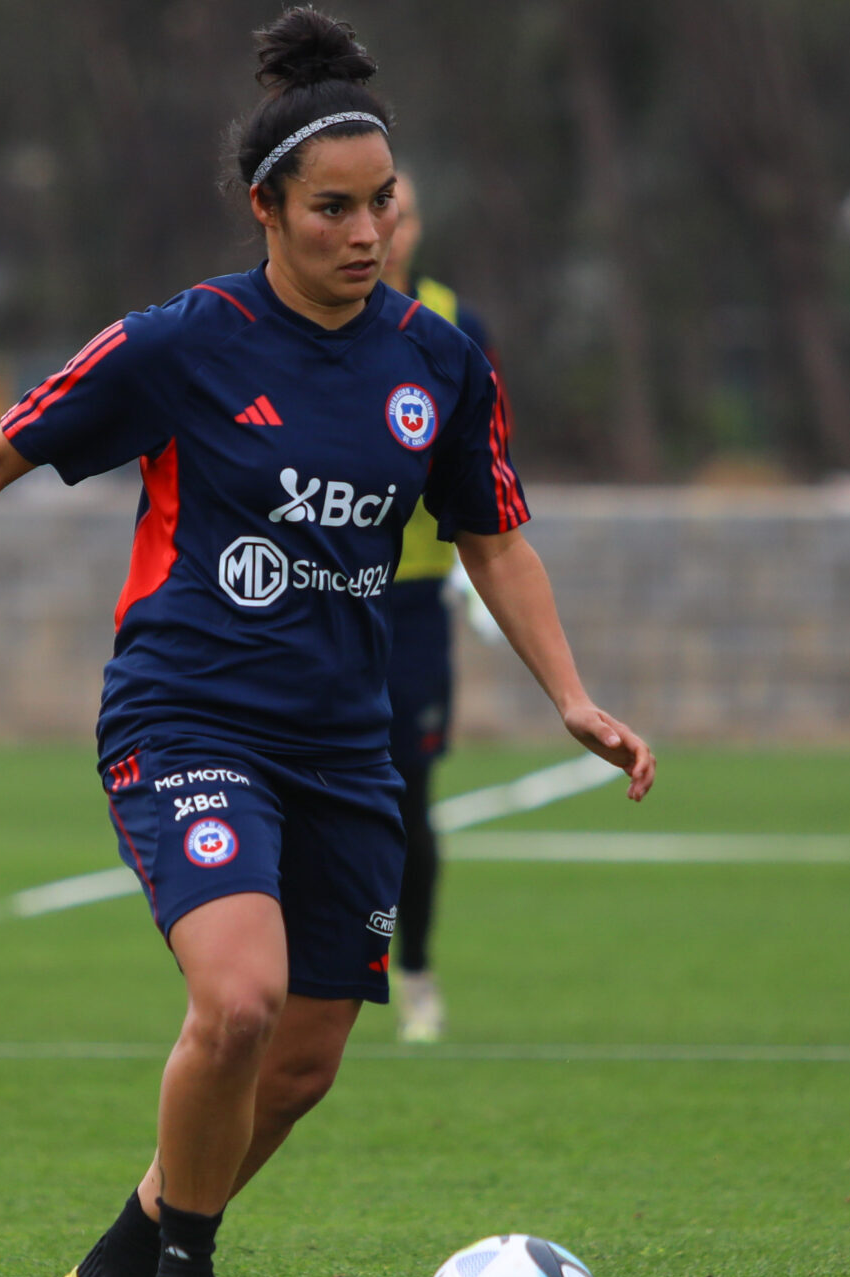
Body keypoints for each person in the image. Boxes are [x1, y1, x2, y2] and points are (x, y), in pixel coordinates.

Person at [0, 7, 654, 1277]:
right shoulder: (182, 342)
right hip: (187, 719)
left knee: (304, 1061)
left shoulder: (436, 365)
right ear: (267, 210)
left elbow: (492, 534)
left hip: (343, 743)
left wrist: (572, 695)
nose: (366, 232)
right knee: (240, 1001)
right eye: (333, 209)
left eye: (382, 203)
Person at [377, 169, 502, 1044]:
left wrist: (473, 565)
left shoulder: (454, 325)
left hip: (415, 602)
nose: (382, 228)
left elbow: (489, 469)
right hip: (319, 599)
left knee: (409, 797)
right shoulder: (302, 326)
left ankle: (413, 968)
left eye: (397, 209)